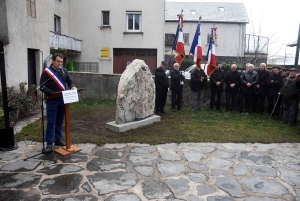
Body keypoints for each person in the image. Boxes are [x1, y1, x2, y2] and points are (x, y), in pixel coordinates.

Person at [40, 53, 77, 152]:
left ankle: (58, 139)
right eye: (58, 61)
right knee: (51, 122)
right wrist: (52, 93)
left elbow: (70, 81)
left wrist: (73, 86)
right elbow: (42, 86)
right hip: (52, 100)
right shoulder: (47, 72)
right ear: (53, 61)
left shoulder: (64, 71)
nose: (60, 63)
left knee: (60, 120)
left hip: (63, 100)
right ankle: (49, 143)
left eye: (61, 61)